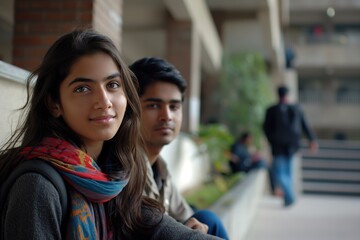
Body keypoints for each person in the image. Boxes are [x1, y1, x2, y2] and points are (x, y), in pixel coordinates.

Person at [0, 29, 222, 239]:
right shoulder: (37, 186)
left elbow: (159, 228)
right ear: (54, 104)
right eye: (83, 89)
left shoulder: (113, 174)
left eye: (113, 85)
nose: (104, 101)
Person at [129, 57, 229, 240]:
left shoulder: (160, 168)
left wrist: (197, 228)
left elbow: (186, 215)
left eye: (174, 106)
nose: (166, 116)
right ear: (131, 109)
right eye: (153, 105)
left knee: (207, 220)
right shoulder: (125, 166)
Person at [263, 85, 318, 207]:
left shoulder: (272, 110)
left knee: (281, 174)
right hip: (290, 147)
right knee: (286, 174)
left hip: (280, 147)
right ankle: (289, 196)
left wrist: (271, 141)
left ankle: (289, 197)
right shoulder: (296, 108)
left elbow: (266, 129)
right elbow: (305, 125)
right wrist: (312, 140)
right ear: (287, 95)